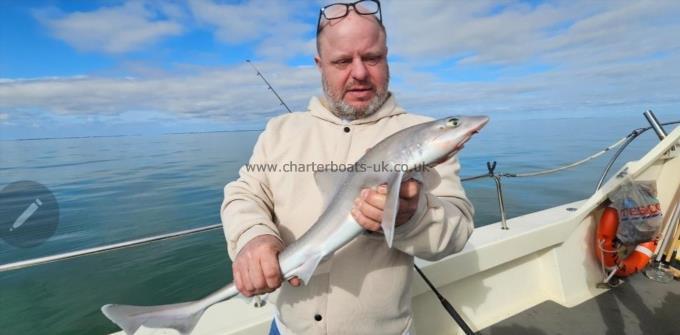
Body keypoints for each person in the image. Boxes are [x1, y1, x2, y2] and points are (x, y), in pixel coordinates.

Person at [221, 1, 474, 334]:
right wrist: (252, 236)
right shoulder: (280, 131)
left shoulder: (426, 135)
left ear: (386, 57)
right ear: (319, 65)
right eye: (341, 61)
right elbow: (245, 193)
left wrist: (412, 218)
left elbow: (457, 232)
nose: (359, 73)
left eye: (371, 58)